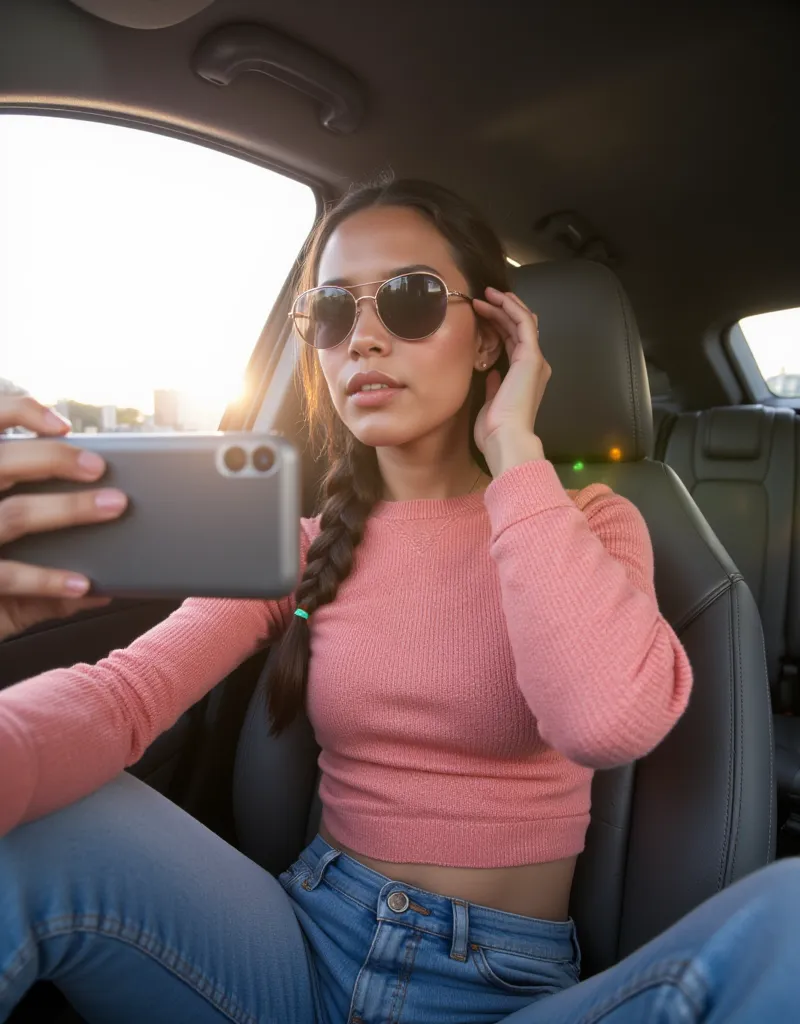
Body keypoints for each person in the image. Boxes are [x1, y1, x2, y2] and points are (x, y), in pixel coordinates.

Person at [0, 178, 796, 1024]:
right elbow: (123, 694)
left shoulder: (593, 523)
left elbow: (602, 722)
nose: (366, 338)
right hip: (294, 948)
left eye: (411, 299)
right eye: (334, 312)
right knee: (45, 815)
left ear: (493, 340)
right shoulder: (300, 544)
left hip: (496, 988)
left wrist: (516, 452)